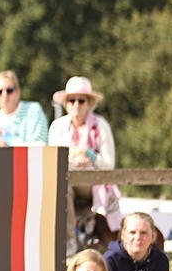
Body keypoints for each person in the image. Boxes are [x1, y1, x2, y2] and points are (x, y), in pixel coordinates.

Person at [48, 76, 122, 249]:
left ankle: (75, 238)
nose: (76, 104)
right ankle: (70, 239)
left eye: (81, 100)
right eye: (71, 100)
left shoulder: (101, 126)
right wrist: (74, 157)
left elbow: (108, 165)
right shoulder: (57, 126)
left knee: (65, 182)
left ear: (89, 103)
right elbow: (53, 159)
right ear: (65, 103)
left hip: (94, 184)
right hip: (67, 181)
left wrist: (89, 155)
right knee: (62, 185)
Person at [0, 70, 49, 146]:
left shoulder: (33, 110)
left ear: (18, 92)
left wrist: (8, 148)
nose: (5, 95)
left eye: (9, 90)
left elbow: (40, 144)